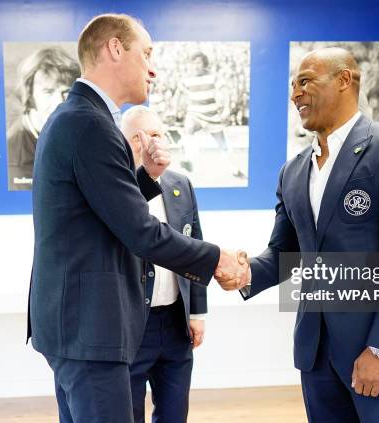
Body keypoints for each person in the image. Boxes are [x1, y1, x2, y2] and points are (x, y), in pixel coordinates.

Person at [27, 14, 247, 423]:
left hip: (72, 326)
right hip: (90, 330)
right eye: (146, 53)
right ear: (114, 48)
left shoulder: (76, 116)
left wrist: (146, 178)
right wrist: (216, 258)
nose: (153, 68)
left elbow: (102, 211)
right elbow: (140, 232)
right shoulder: (92, 124)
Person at [223, 48, 379, 422]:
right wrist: (246, 272)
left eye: (305, 81)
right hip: (315, 354)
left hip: (374, 353)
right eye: (293, 85)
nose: (295, 94)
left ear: (344, 80)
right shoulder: (292, 172)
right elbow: (285, 254)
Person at [119, 105, 207, 423]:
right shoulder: (115, 189)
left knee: (174, 415)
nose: (149, 144)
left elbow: (194, 250)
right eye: (137, 138)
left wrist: (196, 313)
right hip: (129, 327)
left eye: (155, 135)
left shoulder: (181, 184)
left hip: (174, 325)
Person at [7, 47, 80, 190]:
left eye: (66, 91)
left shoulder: (76, 131)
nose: (59, 102)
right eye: (48, 92)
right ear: (28, 95)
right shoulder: (16, 160)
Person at [176, 51, 246, 179]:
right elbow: (178, 93)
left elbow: (225, 91)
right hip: (194, 112)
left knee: (222, 143)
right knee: (189, 128)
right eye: (193, 63)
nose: (196, 66)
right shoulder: (186, 78)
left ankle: (235, 169)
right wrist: (175, 108)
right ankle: (188, 160)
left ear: (204, 64)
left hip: (211, 114)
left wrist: (226, 108)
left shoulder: (213, 77)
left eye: (199, 63)